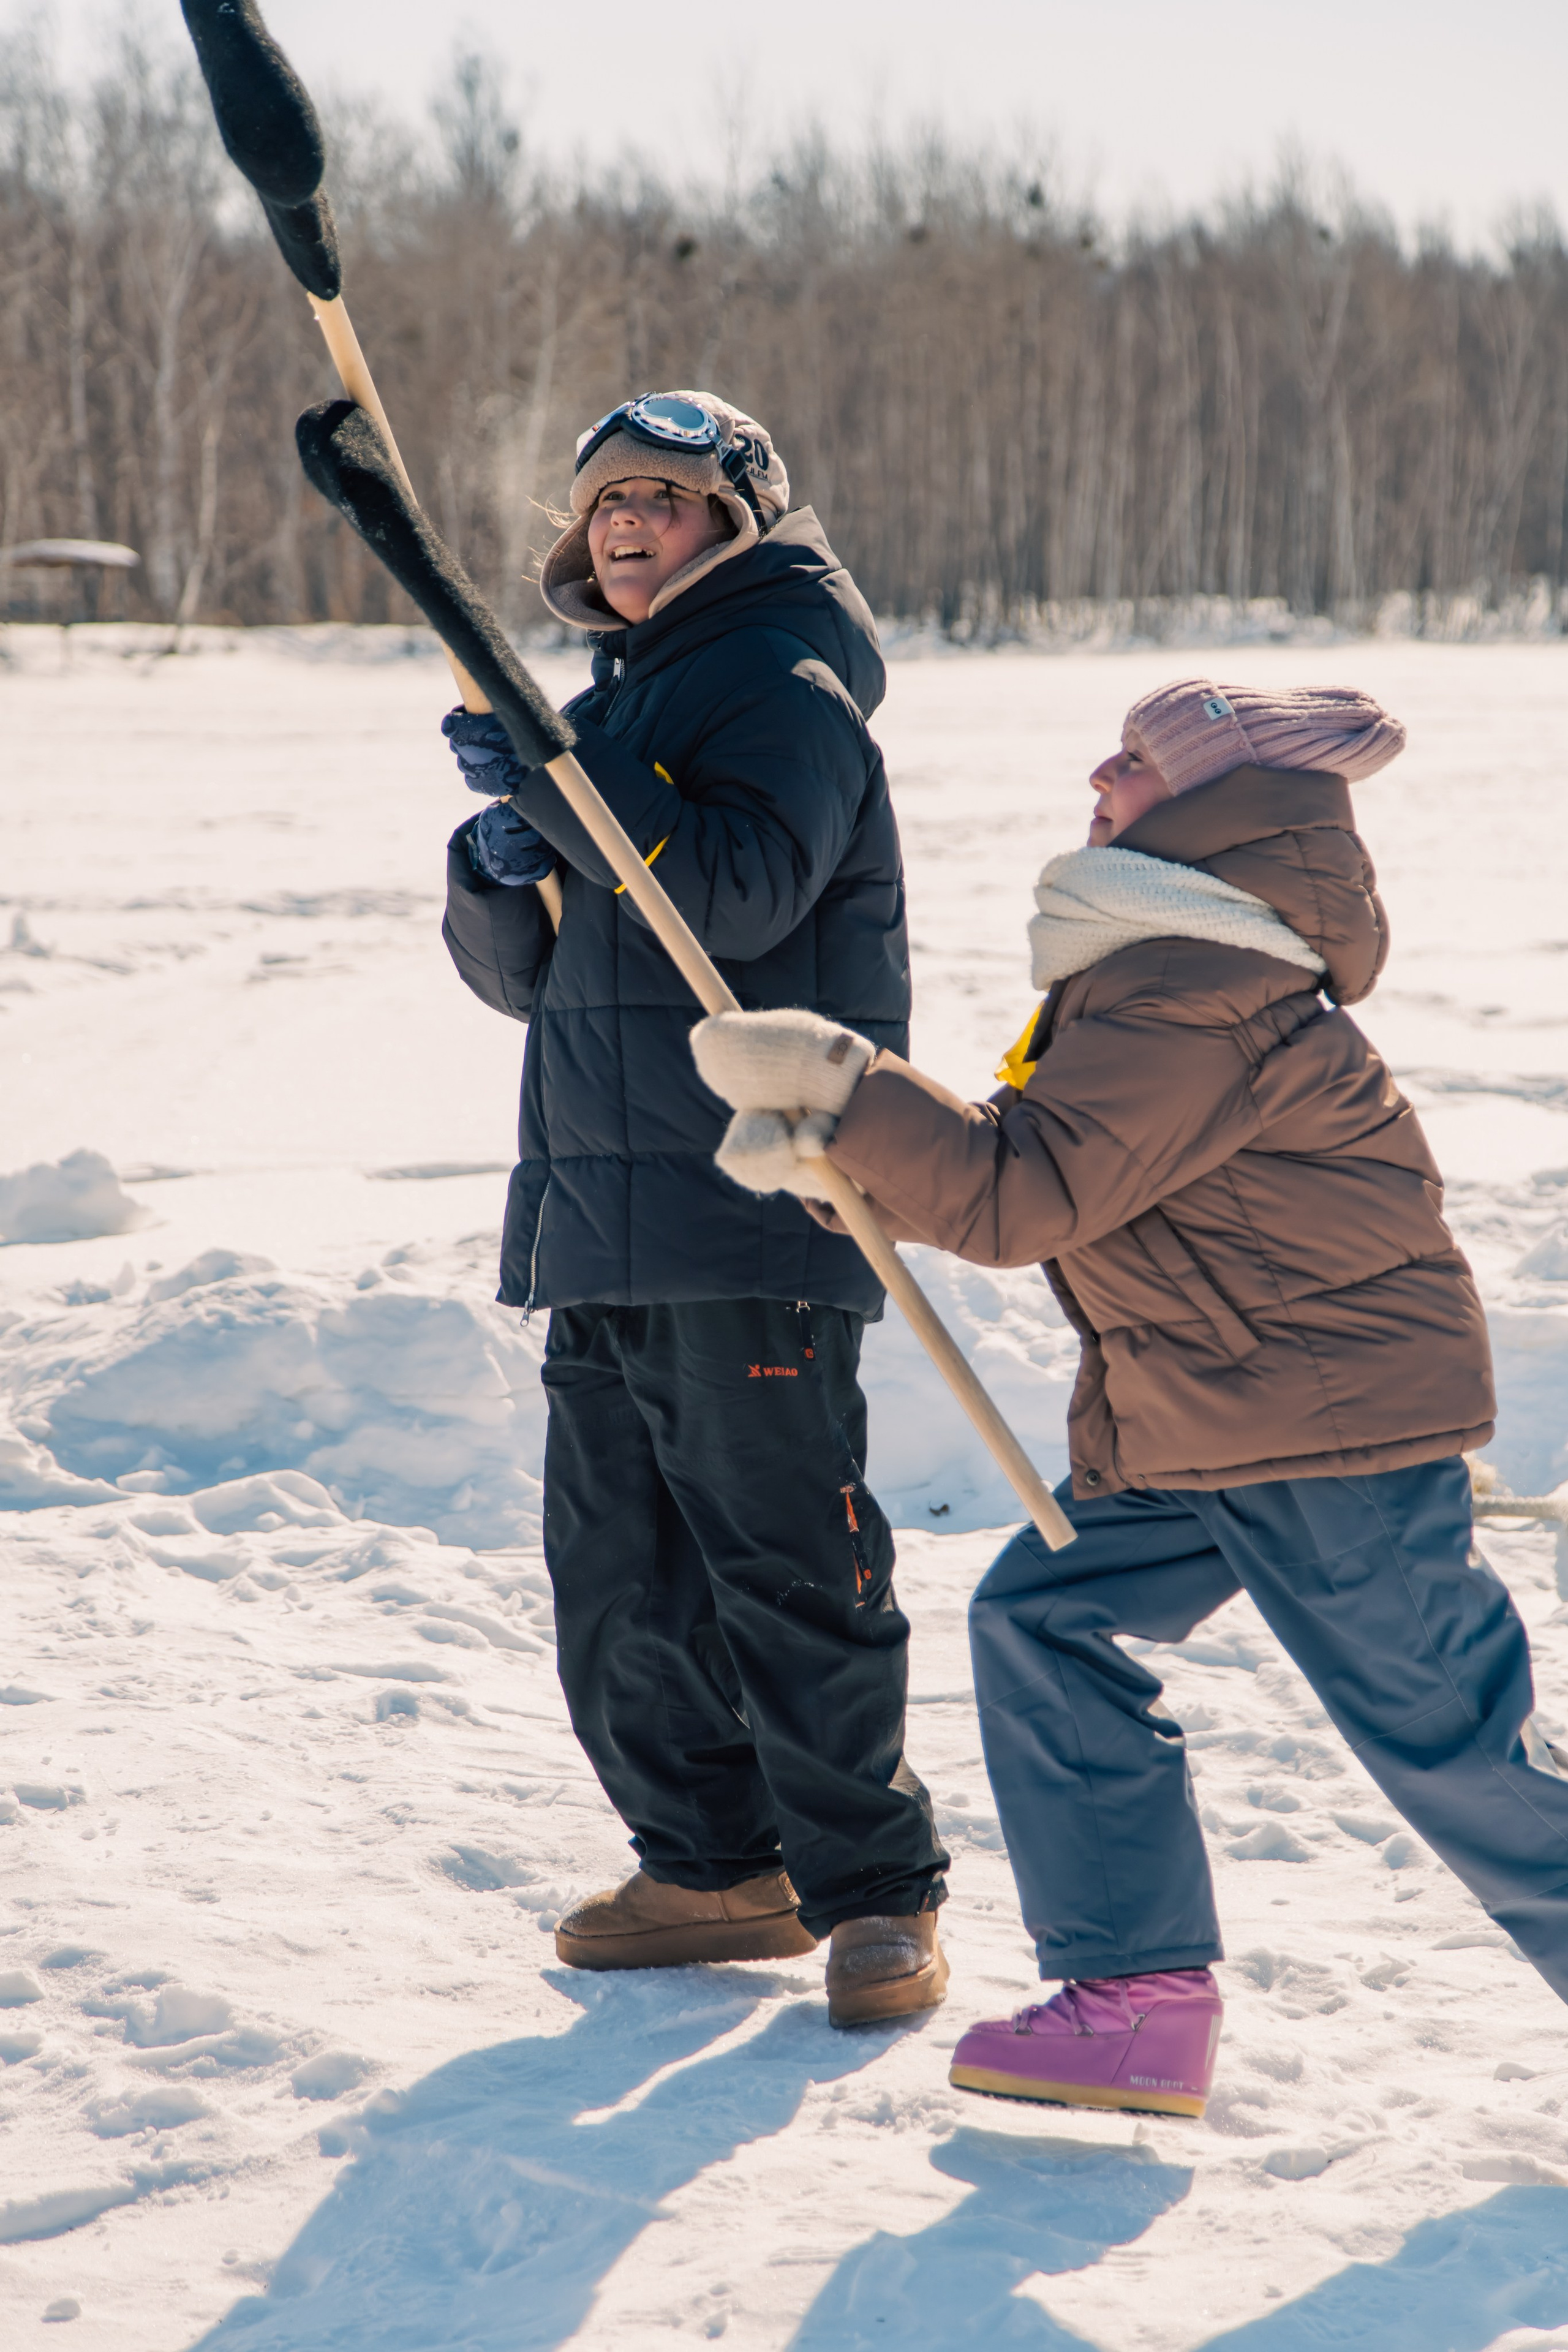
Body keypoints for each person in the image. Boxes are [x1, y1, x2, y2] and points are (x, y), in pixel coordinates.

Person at [685, 676, 1568, 2119]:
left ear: (1217, 807)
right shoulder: (1167, 965)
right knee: (1047, 1621)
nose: (1097, 771)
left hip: (1318, 1422)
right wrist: (844, 1159)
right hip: (1214, 1414)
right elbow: (1053, 1167)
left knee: (1452, 1745)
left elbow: (1023, 1196)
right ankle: (1136, 1998)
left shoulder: (1195, 985)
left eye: (1140, 760)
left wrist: (848, 1089)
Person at [440, 390, 949, 2027]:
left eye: (663, 494)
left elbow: (731, 901)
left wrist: (575, 771)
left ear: (739, 518)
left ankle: (873, 1892)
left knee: (786, 1558)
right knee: (618, 1573)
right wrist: (501, 854)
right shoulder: (626, 695)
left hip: (755, 1204)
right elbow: (541, 981)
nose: (625, 522)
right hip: (605, 1206)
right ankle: (716, 1863)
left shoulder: (785, 674)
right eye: (603, 505)